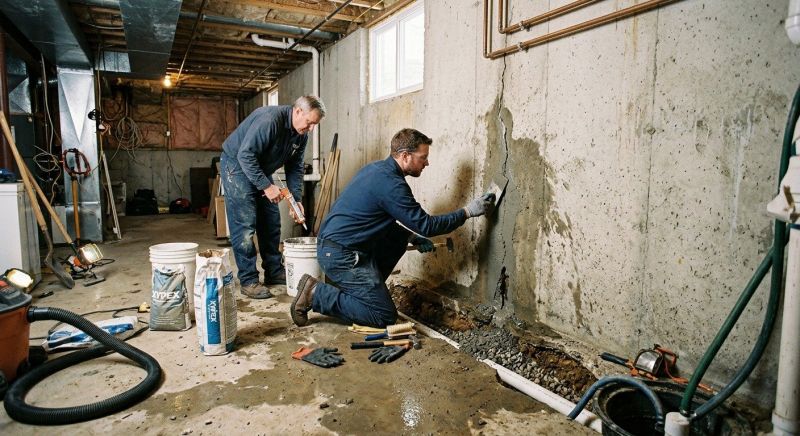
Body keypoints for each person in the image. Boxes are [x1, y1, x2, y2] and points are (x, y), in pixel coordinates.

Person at [290, 128, 495, 327]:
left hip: (335, 247)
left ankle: (361, 292)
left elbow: (377, 220)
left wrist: (411, 237)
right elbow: (426, 225)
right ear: (405, 156)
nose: (427, 163)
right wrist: (468, 212)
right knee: (383, 315)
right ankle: (316, 293)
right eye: (423, 157)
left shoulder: (376, 170)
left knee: (398, 240)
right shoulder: (392, 184)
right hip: (341, 255)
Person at [220, 95, 326, 299]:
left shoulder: (301, 134)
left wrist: (296, 200)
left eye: (315, 124)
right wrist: (266, 186)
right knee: (245, 225)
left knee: (271, 221)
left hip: (260, 168)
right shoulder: (269, 121)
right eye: (309, 122)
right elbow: (245, 155)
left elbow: (295, 167)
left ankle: (274, 271)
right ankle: (249, 279)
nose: (311, 128)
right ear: (297, 112)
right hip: (237, 165)